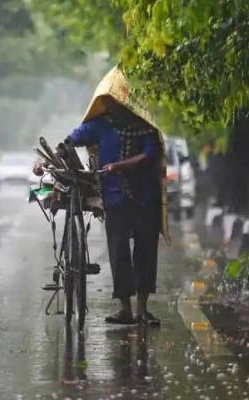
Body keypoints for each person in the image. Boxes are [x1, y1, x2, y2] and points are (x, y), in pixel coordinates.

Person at [34, 97, 163, 325]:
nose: (112, 108)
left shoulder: (146, 127)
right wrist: (51, 156)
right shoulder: (100, 125)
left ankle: (142, 308)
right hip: (115, 197)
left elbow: (149, 154)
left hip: (146, 197)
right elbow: (73, 138)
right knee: (118, 251)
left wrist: (119, 166)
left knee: (146, 252)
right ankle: (125, 309)